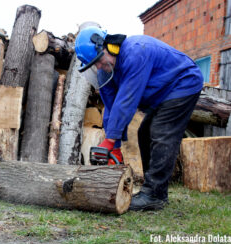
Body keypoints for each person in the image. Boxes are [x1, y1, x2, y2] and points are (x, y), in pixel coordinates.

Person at [75, 26, 203, 211]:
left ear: (107, 47)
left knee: (161, 132)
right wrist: (115, 147)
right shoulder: (105, 70)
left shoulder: (136, 52)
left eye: (99, 61)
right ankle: (153, 191)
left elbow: (127, 100)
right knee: (144, 133)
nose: (99, 67)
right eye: (94, 65)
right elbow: (111, 107)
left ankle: (155, 194)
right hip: (161, 93)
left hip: (183, 82)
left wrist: (110, 140)